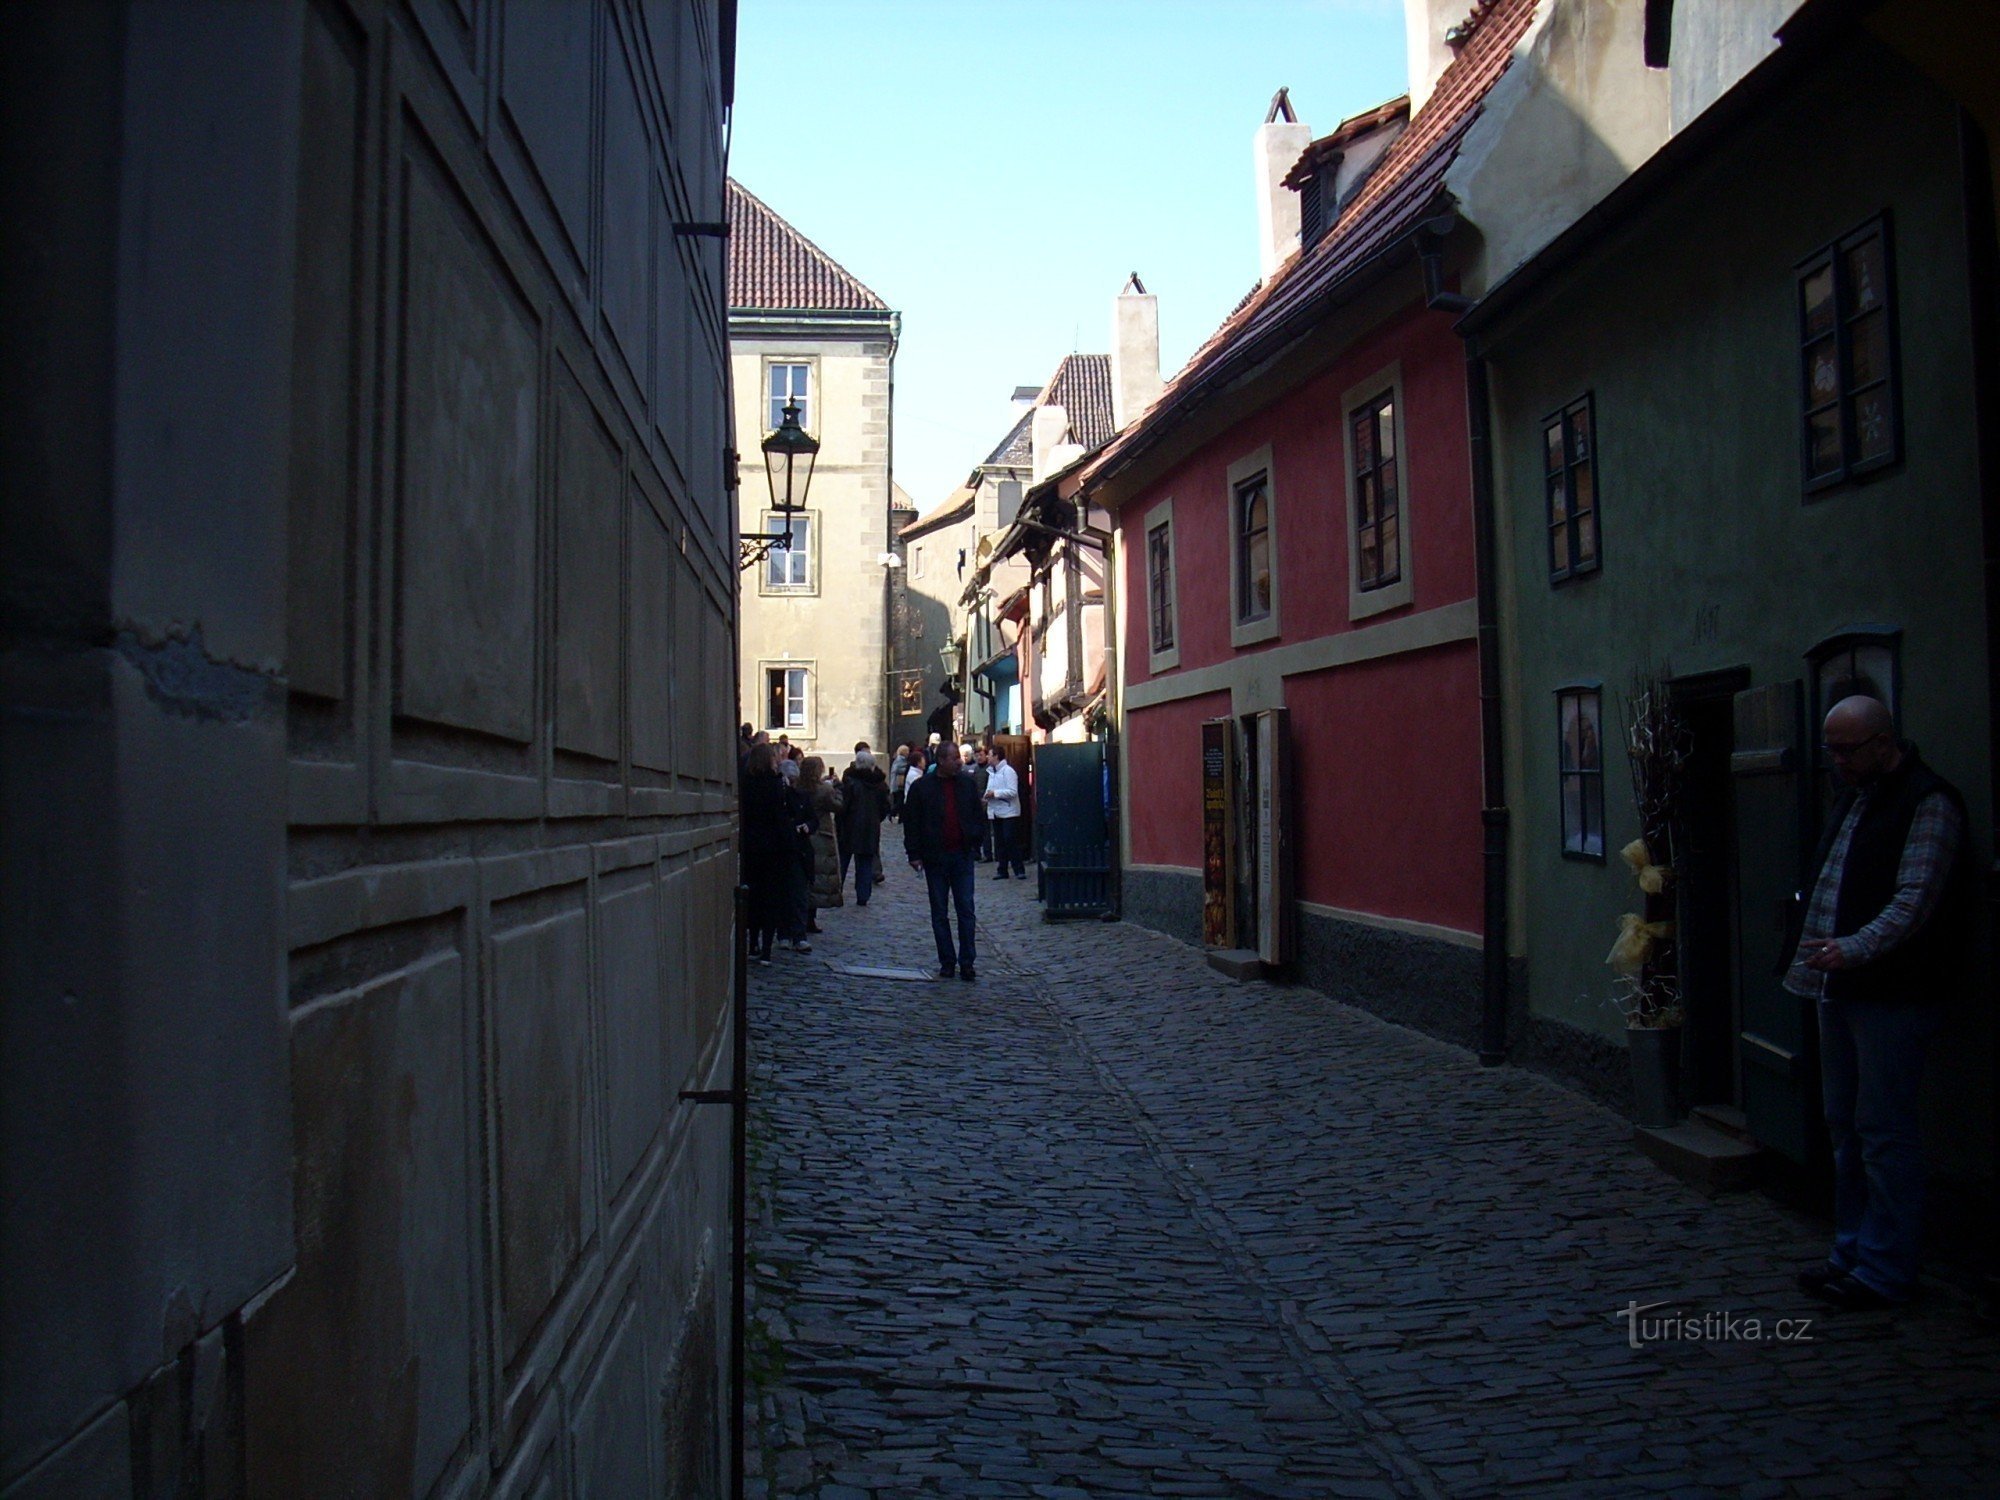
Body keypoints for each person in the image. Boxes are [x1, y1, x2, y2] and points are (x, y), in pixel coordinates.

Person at [1786, 694, 1970, 1311]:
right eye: (1831, 749)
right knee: (1845, 1123)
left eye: (1846, 749)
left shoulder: (1929, 801)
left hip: (1895, 991)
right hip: (1838, 983)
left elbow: (1915, 900)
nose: (1836, 761)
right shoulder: (1854, 797)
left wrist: (1854, 948)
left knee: (1884, 1130)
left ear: (1883, 743)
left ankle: (1886, 1268)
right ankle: (1851, 1250)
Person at [904, 740, 987, 979]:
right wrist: (914, 854)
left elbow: (976, 815)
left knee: (966, 910)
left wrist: (974, 841)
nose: (959, 762)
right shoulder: (923, 788)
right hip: (935, 857)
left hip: (962, 855)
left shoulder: (966, 785)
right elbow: (912, 823)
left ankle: (967, 961)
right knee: (939, 911)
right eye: (953, 759)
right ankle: (947, 961)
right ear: (941, 761)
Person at [740, 743, 815, 963]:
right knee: (771, 899)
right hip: (774, 849)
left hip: (752, 847)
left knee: (753, 897)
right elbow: (781, 818)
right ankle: (765, 950)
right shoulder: (776, 785)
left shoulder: (745, 783)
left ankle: (753, 943)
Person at [839, 749, 893, 905]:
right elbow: (885, 807)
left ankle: (838, 891)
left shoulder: (850, 782)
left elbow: (844, 806)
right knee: (865, 862)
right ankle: (863, 895)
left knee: (844, 860)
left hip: (850, 826)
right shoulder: (880, 784)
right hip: (870, 827)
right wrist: (876, 819)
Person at [799, 757, 844, 930]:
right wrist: (837, 787)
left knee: (806, 878)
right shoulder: (824, 790)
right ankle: (811, 918)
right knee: (817, 878)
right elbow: (838, 806)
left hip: (803, 834)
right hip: (821, 836)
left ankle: (803, 916)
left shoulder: (798, 787)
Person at [983, 745, 1026, 878]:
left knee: (1010, 840)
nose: (987, 757)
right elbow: (989, 789)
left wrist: (995, 793)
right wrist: (986, 797)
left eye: (989, 754)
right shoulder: (991, 772)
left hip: (1009, 811)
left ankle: (1019, 869)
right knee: (1000, 842)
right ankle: (1002, 869)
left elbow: (1012, 791)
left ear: (996, 756)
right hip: (996, 811)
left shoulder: (1008, 771)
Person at [966, 744, 991, 862]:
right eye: (976, 755)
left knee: (986, 831)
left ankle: (988, 853)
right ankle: (976, 853)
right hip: (976, 803)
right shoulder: (974, 769)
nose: (979, 757)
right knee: (977, 830)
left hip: (987, 802)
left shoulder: (989, 769)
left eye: (981, 755)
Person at [889, 744, 911, 822]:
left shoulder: (903, 759)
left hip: (899, 784)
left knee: (901, 802)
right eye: (907, 751)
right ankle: (891, 813)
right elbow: (896, 770)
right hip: (898, 784)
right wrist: (906, 768)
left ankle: (901, 818)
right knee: (900, 801)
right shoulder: (899, 760)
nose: (908, 752)